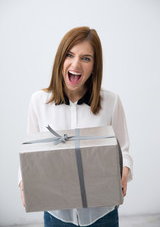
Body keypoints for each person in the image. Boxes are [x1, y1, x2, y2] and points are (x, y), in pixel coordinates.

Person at [18, 26, 133, 227]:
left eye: (86, 58)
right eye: (70, 55)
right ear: (60, 59)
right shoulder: (38, 101)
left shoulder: (112, 102)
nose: (76, 64)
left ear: (95, 66)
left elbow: (123, 150)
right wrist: (23, 183)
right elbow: (30, 153)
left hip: (102, 213)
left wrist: (125, 170)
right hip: (57, 215)